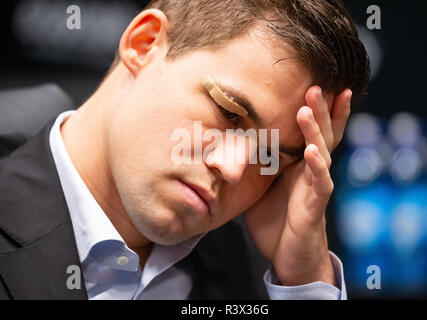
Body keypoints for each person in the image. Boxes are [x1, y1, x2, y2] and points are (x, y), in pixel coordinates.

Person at [0, 0, 369, 299]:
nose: (234, 168)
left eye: (272, 154)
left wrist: (303, 283)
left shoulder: (263, 276)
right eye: (229, 111)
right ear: (143, 45)